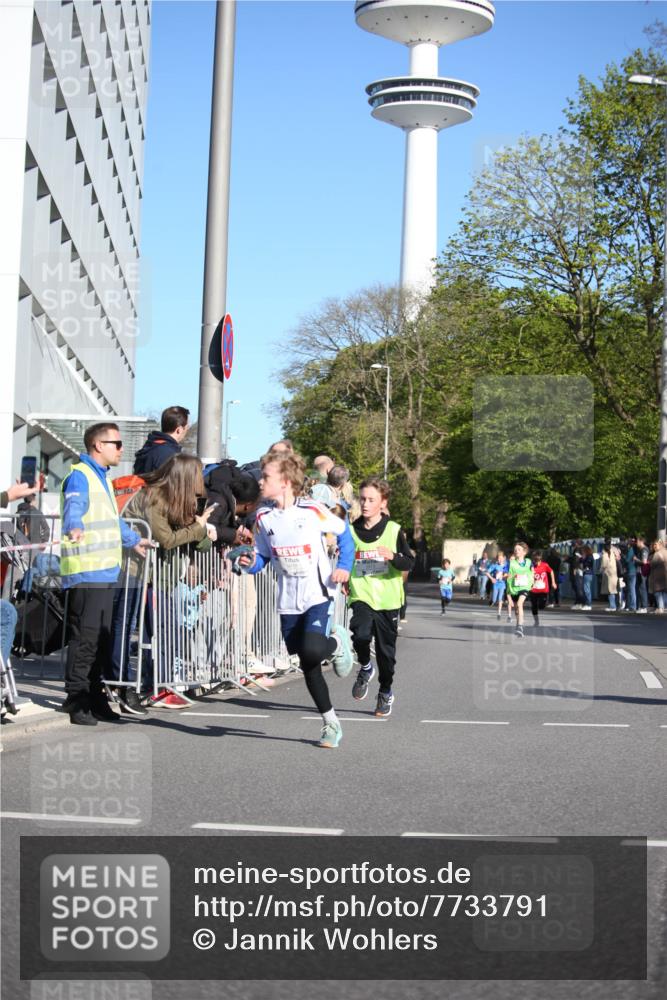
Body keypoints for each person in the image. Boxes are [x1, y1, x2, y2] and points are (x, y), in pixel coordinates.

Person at [239, 451, 355, 749]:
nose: (261, 481)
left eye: (266, 476)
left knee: (313, 650)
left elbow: (344, 535)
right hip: (288, 601)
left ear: (286, 482)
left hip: (318, 593)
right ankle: (330, 722)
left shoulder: (312, 510)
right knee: (306, 661)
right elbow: (263, 556)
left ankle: (337, 642)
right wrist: (249, 563)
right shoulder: (264, 517)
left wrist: (343, 567)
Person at [60, 423, 153, 726]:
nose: (121, 448)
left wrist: (133, 540)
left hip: (104, 572)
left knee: (101, 640)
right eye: (116, 443)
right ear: (98, 445)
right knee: (85, 640)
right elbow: (75, 507)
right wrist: (73, 525)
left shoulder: (101, 478)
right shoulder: (80, 475)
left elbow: (111, 522)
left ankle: (96, 698)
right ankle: (77, 700)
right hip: (86, 572)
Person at [115, 454, 216, 712]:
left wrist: (199, 527)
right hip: (145, 574)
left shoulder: (181, 501)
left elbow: (200, 544)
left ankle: (163, 685)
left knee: (167, 632)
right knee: (155, 633)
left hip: (166, 578)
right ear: (184, 476)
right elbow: (167, 539)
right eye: (198, 475)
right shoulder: (154, 498)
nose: (201, 481)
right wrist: (198, 528)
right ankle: (155, 687)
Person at [347, 478, 414, 717]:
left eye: (371, 500)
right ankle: (365, 667)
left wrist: (393, 556)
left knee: (387, 655)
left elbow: (409, 562)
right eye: (362, 499)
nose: (365, 504)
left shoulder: (394, 530)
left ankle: (385, 691)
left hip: (388, 600)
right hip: (362, 594)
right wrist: (344, 576)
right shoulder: (352, 530)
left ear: (382, 502)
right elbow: (346, 559)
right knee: (361, 634)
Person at [133, 405, 190, 475]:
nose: (187, 430)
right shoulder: (170, 456)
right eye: (187, 427)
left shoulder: (149, 447)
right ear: (179, 430)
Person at [506, 542, 534, 638]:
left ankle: (520, 627)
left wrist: (532, 581)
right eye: (515, 550)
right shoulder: (511, 563)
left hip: (524, 587)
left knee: (519, 604)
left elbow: (532, 572)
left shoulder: (529, 562)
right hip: (514, 588)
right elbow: (506, 576)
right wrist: (513, 576)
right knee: (517, 610)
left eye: (518, 549)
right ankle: (518, 626)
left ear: (524, 552)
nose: (516, 551)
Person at [529, 549, 556, 627]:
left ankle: (539, 605)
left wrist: (553, 582)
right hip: (533, 589)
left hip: (543, 590)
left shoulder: (545, 565)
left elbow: (551, 571)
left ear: (540, 559)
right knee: (534, 606)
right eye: (534, 561)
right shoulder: (530, 566)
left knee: (541, 606)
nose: (536, 563)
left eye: (537, 561)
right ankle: (536, 621)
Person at [486, 550, 508, 619]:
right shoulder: (494, 566)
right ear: (497, 559)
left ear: (504, 558)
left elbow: (508, 574)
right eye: (498, 558)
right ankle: (492, 601)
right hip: (496, 584)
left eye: (501, 558)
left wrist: (504, 576)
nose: (500, 560)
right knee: (495, 599)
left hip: (502, 584)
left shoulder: (505, 566)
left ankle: (499, 613)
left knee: (500, 598)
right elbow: (487, 572)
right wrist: (492, 579)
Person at [600, 539, 619, 611]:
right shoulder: (613, 553)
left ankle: (612, 606)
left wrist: (600, 570)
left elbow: (604, 565)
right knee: (613, 590)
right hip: (614, 573)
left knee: (610, 591)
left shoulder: (605, 554)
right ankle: (613, 605)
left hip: (608, 574)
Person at [649, 540, 667, 613]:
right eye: (654, 545)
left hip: (657, 576)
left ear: (660, 545)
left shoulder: (657, 554)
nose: (654, 546)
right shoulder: (666, 552)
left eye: (656, 545)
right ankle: (665, 607)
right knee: (664, 592)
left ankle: (660, 607)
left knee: (658, 592)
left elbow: (652, 565)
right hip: (665, 575)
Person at [634, 534, 650, 613]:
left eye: (637, 541)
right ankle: (641, 606)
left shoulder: (644, 550)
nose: (636, 543)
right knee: (640, 589)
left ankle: (644, 607)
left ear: (641, 541)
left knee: (642, 588)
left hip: (642, 572)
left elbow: (644, 562)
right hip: (639, 572)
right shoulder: (641, 550)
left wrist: (636, 559)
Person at [581, 545, 594, 611]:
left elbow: (587, 564)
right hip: (588, 574)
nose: (582, 552)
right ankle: (587, 603)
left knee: (586, 589)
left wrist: (583, 559)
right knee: (586, 589)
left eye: (583, 550)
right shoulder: (589, 556)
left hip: (588, 574)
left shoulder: (589, 556)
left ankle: (588, 604)